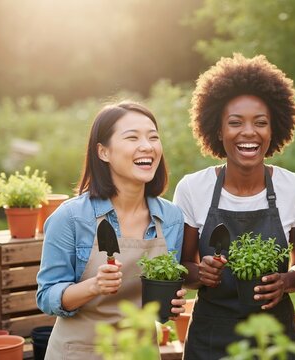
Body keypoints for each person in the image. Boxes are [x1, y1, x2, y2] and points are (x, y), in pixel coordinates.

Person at [173, 53, 295, 359]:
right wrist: (201, 273)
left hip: (274, 336)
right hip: (211, 336)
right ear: (218, 130)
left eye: (260, 123)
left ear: (274, 129)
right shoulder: (192, 189)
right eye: (235, 123)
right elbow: (182, 266)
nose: (249, 132)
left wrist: (286, 281)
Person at [36, 101, 186, 359]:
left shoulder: (170, 218)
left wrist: (169, 304)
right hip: (79, 352)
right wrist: (94, 286)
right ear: (103, 152)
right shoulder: (71, 217)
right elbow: (47, 296)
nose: (147, 146)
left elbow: (158, 295)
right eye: (132, 137)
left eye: (153, 137)